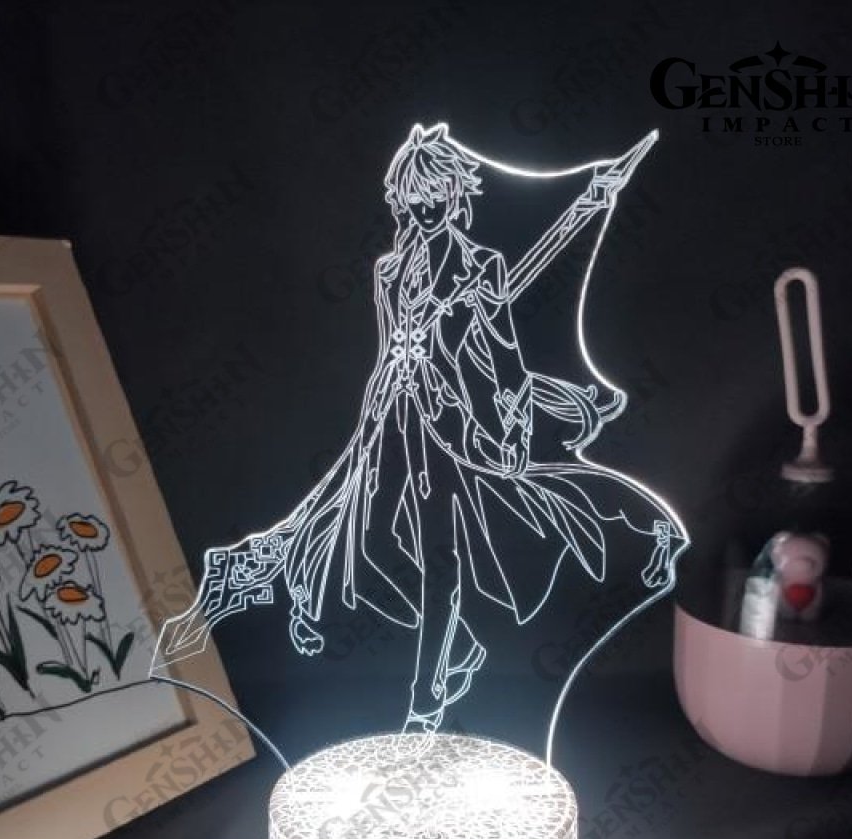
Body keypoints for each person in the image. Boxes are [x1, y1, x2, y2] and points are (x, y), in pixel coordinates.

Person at [156, 123, 687, 735]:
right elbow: (388, 351)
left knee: (441, 558)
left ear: (455, 195)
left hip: (448, 423)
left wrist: (509, 417)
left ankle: (425, 700)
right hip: (390, 417)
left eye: (435, 196)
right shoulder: (389, 271)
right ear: (401, 201)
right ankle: (456, 647)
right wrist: (372, 418)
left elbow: (504, 358)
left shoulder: (481, 267)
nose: (425, 208)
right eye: (414, 198)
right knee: (374, 543)